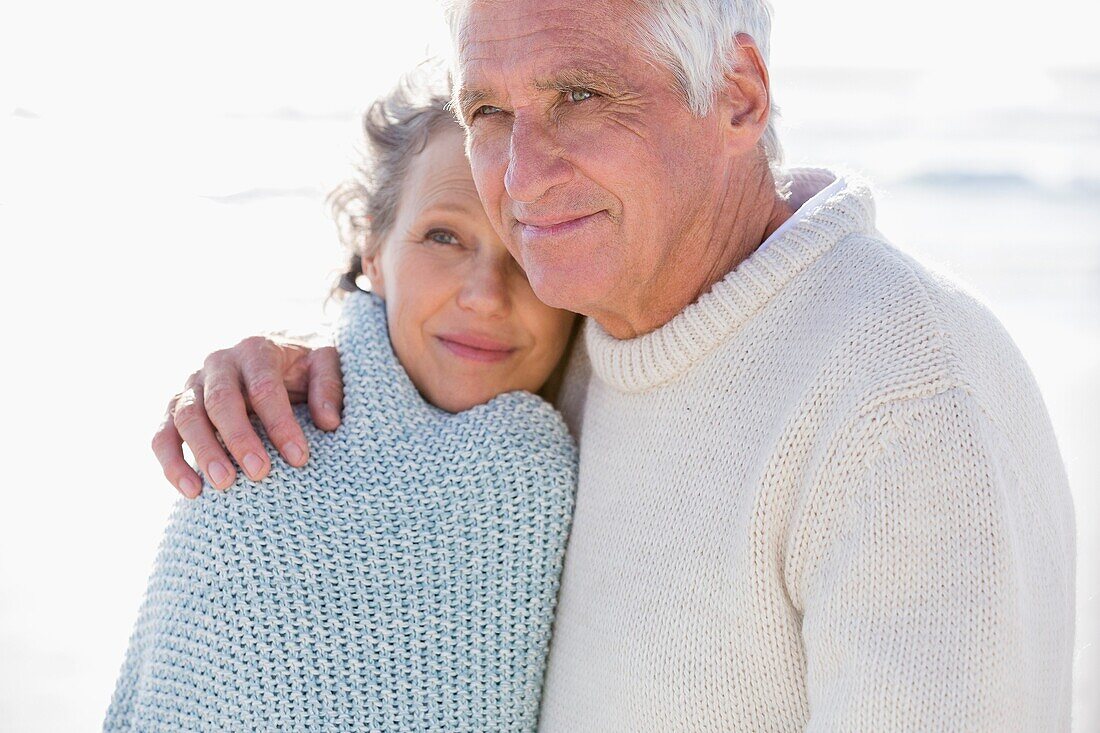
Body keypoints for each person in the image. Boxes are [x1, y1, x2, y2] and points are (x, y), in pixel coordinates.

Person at [155, 0, 1077, 730]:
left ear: (740, 94)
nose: (520, 175)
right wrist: (296, 371)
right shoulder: (577, 333)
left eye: (581, 96)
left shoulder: (907, 402)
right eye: (488, 110)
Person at [106, 66, 578, 731]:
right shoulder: (248, 474)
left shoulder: (617, 439)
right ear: (373, 249)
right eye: (443, 236)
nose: (485, 294)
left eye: (528, 242)